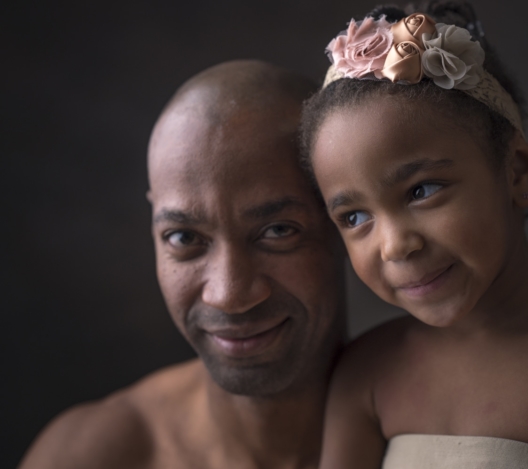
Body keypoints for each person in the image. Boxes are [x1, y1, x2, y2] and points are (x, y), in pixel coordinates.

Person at [300, 2, 528, 468]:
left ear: (516, 172)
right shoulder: (367, 369)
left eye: (421, 190)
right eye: (353, 217)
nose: (395, 245)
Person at [19, 60, 347, 469]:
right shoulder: (94, 454)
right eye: (184, 238)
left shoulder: (435, 426)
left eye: (278, 230)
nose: (229, 295)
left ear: (346, 223)